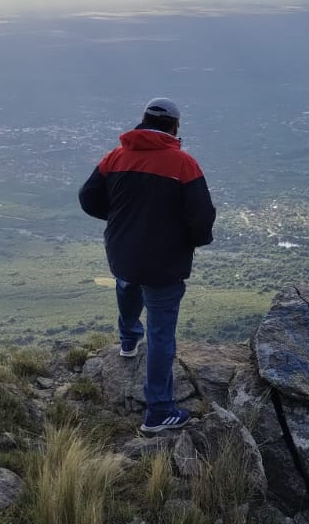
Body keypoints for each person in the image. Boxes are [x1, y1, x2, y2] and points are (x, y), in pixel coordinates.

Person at [78, 97, 216, 432]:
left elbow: (88, 198)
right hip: (165, 260)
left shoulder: (117, 156)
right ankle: (158, 411)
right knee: (161, 332)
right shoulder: (183, 164)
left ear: (143, 121)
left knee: (126, 283)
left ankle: (128, 340)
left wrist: (120, 220)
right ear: (174, 127)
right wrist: (193, 240)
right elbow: (202, 217)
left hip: (123, 250)